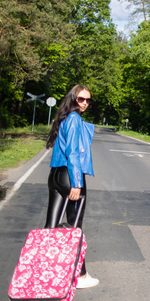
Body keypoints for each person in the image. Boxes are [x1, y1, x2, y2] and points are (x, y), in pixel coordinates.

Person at [45, 84, 99, 288]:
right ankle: (81, 277)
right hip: (70, 177)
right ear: (73, 98)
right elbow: (74, 153)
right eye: (81, 99)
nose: (84, 103)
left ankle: (45, 273)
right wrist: (77, 183)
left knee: (50, 227)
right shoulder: (75, 119)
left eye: (88, 100)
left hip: (55, 175)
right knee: (75, 228)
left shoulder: (63, 117)